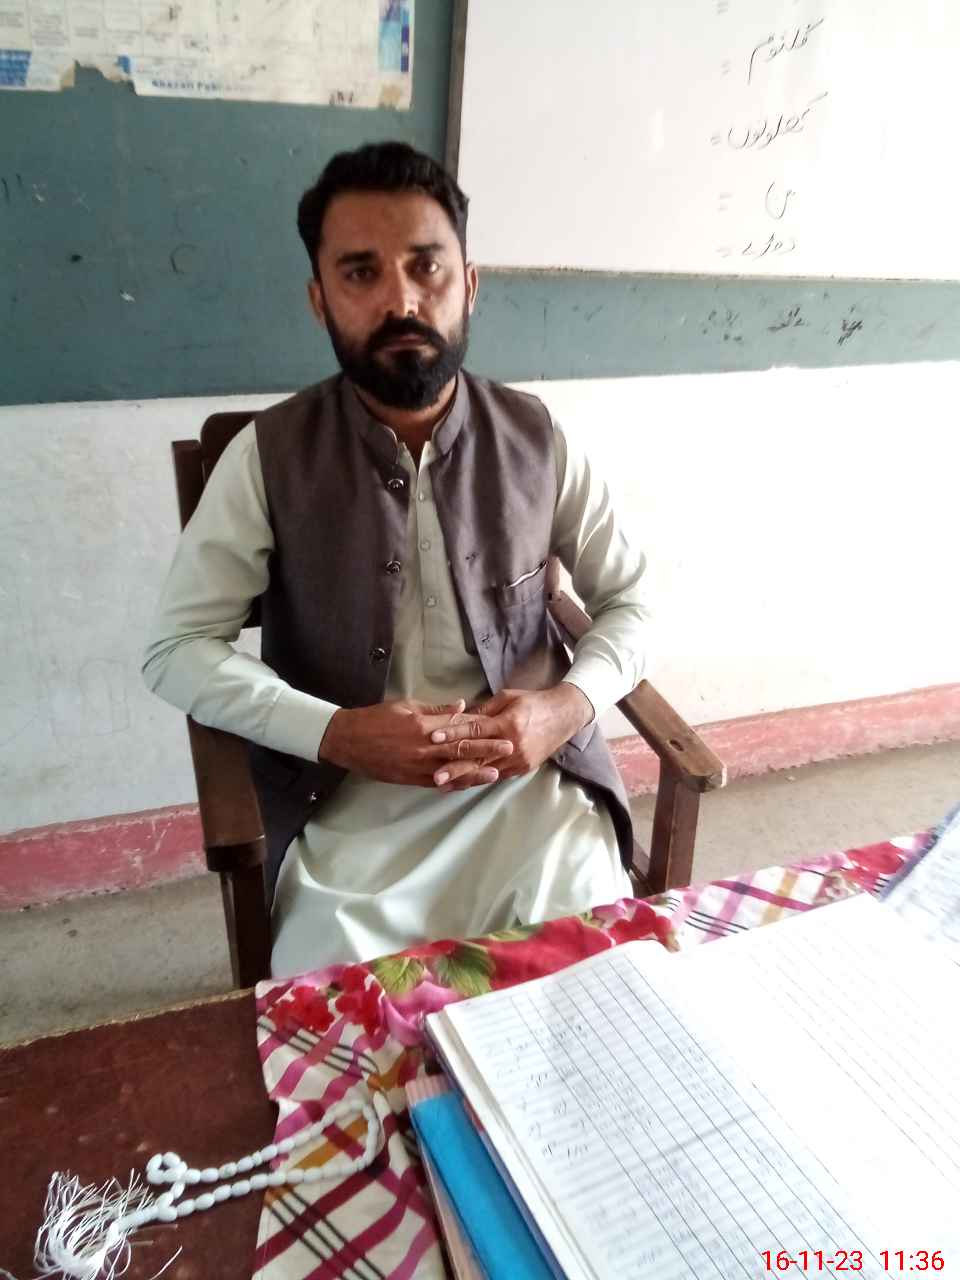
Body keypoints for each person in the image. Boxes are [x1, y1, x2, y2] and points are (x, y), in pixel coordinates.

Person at [143, 142, 649, 978]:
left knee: (593, 983)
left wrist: (566, 706)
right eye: (361, 273)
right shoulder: (268, 456)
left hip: (529, 793)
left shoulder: (538, 438)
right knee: (357, 1014)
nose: (401, 301)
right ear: (320, 299)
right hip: (345, 806)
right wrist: (336, 732)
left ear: (469, 283)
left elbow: (633, 603)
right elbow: (175, 650)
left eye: (426, 267)